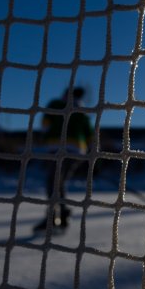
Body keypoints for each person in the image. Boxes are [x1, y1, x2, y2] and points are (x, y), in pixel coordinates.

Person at [34, 86, 93, 232]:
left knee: (52, 182)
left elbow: (45, 125)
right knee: (58, 183)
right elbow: (90, 135)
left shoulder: (56, 104)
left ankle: (54, 216)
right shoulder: (82, 112)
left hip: (58, 149)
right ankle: (62, 213)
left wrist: (44, 136)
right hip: (77, 152)